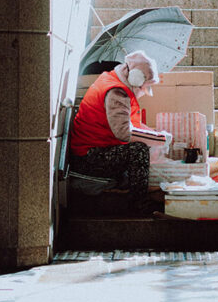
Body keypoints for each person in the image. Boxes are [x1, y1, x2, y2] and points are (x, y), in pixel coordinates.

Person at [69, 50, 171, 213]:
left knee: (139, 149)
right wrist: (160, 139)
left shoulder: (114, 82)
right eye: (144, 87)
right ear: (136, 78)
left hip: (94, 150)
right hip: (88, 157)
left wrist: (155, 134)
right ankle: (139, 205)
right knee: (138, 151)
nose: (143, 92)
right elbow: (124, 132)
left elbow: (131, 125)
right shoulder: (117, 92)